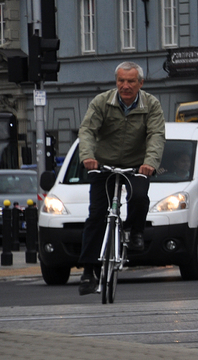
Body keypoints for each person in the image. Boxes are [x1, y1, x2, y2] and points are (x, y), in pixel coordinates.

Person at [77, 61, 165, 295]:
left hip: (137, 166)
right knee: (96, 215)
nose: (125, 86)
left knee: (138, 197)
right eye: (121, 81)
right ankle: (88, 271)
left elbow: (156, 135)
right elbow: (87, 131)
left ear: (140, 83)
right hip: (103, 165)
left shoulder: (152, 105)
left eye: (130, 81)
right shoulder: (101, 102)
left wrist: (149, 163)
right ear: (116, 82)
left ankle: (135, 232)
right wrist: (88, 157)